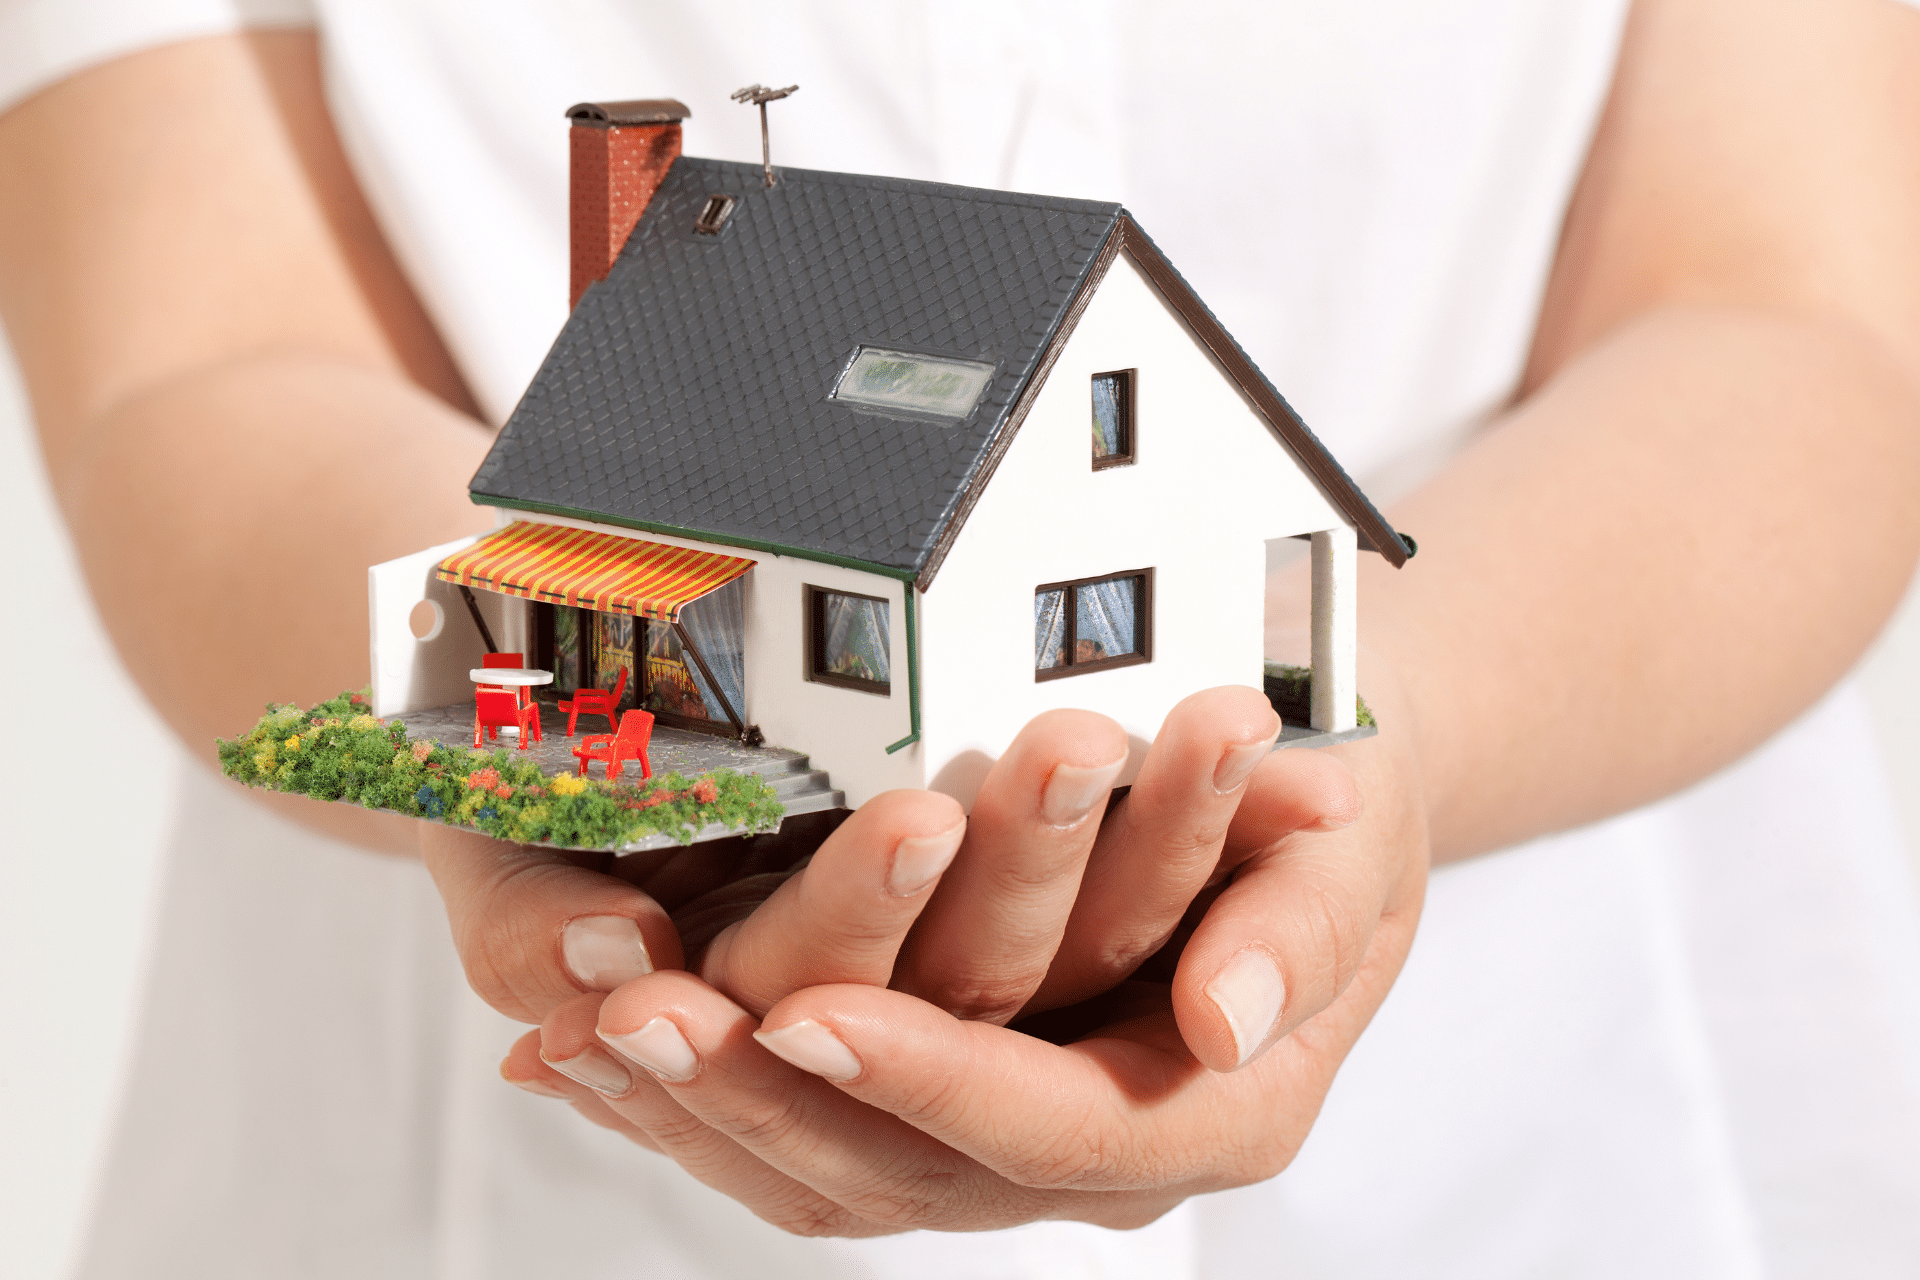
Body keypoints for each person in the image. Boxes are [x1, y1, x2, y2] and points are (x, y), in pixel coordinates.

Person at [3, 0, 1919, 1275]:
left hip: (1566, 1126)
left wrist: (1370, 715)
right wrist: (572, 733)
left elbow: (1794, 313)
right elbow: (196, 357)